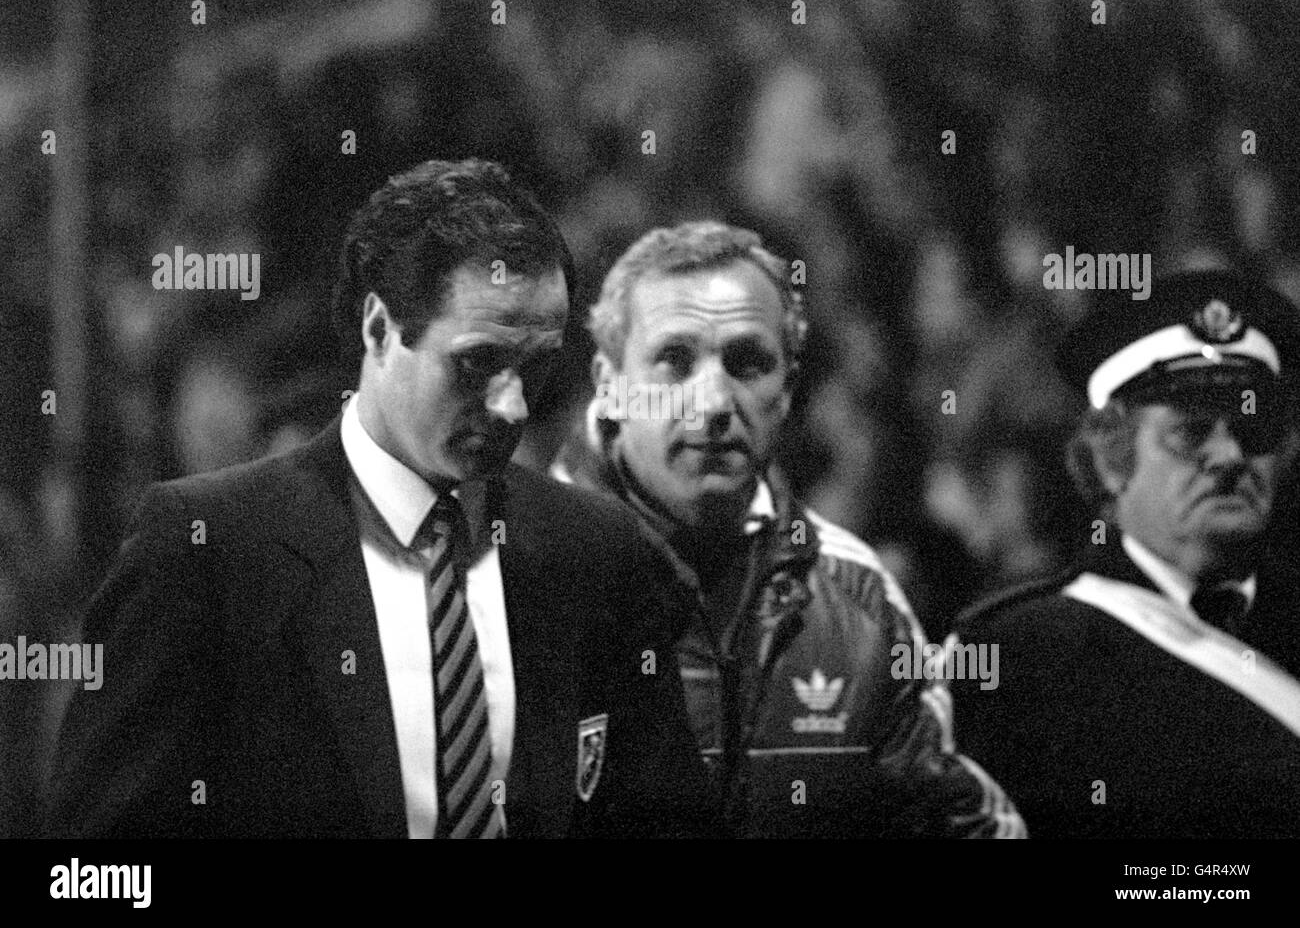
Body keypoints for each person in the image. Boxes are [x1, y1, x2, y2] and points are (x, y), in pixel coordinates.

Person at [47, 158, 712, 839]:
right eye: (478, 362)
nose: (512, 406)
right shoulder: (205, 551)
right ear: (377, 330)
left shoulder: (598, 552)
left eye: (537, 364)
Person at [552, 220, 1024, 837]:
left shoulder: (860, 600)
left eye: (748, 363)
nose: (715, 403)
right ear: (608, 388)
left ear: (788, 391)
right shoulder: (511, 575)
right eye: (674, 360)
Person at [954, 268, 1300, 838]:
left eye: (1252, 428)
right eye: (1191, 433)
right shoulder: (1022, 655)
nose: (1230, 455)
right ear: (1114, 462)